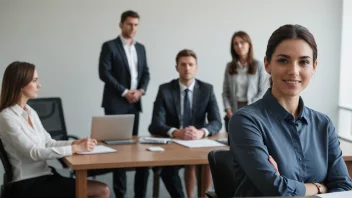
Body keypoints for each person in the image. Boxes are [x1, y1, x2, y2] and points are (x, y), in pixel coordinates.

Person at [229, 24, 352, 197]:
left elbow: (344, 186)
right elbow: (276, 190)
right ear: (267, 64)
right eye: (283, 60)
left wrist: (289, 186)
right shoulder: (245, 121)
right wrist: (320, 187)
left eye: (304, 62)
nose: (294, 71)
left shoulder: (323, 124)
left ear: (314, 67)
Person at [0, 61, 110, 198]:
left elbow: (48, 142)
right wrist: (75, 149)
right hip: (27, 183)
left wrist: (74, 144)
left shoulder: (30, 112)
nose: (39, 85)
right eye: (34, 81)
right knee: (102, 190)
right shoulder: (7, 117)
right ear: (20, 84)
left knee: (100, 188)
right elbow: (33, 153)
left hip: (46, 175)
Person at [149, 49, 222, 198]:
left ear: (196, 67)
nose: (187, 68)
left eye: (190, 64)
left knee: (208, 160)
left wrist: (201, 132)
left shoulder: (207, 89)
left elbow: (216, 121)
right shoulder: (165, 90)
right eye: (183, 64)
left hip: (198, 142)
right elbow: (155, 123)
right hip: (174, 144)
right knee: (167, 170)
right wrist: (176, 132)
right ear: (176, 67)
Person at [98, 10, 150, 198]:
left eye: (136, 24)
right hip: (115, 103)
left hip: (135, 103)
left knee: (134, 149)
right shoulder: (110, 46)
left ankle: (139, 194)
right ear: (121, 24)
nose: (133, 28)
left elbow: (145, 73)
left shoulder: (141, 48)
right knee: (118, 150)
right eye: (129, 24)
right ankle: (120, 193)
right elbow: (104, 73)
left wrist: (140, 91)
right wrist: (124, 92)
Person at [222, 31, 268, 132]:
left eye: (242, 42)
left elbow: (262, 91)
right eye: (236, 43)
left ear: (249, 44)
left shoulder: (259, 65)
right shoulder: (229, 66)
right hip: (234, 108)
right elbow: (225, 92)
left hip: (253, 108)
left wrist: (249, 109)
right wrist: (228, 109)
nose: (239, 46)